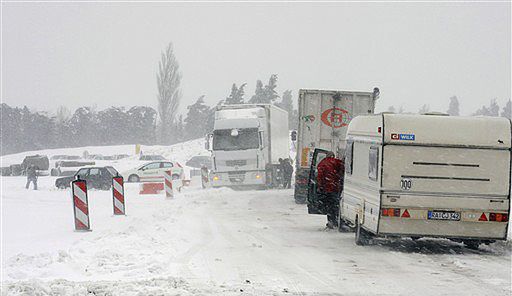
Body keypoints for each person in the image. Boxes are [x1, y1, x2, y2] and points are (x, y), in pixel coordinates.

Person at [316, 151, 344, 229]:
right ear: (333, 156)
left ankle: (330, 221)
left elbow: (319, 176)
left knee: (329, 206)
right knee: (336, 205)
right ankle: (337, 221)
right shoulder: (336, 162)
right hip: (335, 188)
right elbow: (343, 168)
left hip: (326, 189)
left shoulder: (322, 163)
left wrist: (320, 186)